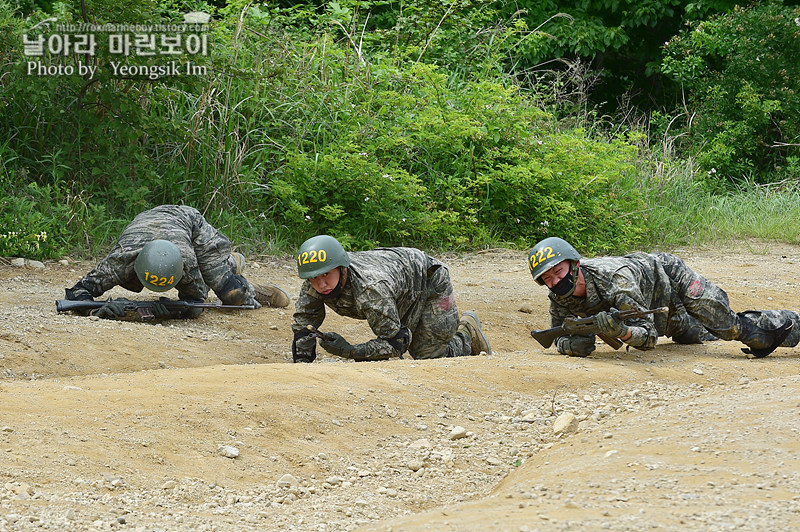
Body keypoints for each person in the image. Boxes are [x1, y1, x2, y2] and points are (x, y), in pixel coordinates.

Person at [527, 236, 798, 358]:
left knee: (731, 327)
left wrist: (621, 333)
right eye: (547, 279)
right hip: (658, 313)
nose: (555, 282)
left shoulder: (616, 280)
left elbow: (649, 339)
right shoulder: (559, 299)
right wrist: (575, 344)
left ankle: (793, 325)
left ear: (574, 264)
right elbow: (558, 335)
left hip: (668, 276)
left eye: (558, 272)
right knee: (694, 335)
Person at [64, 205, 290, 319]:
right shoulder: (121, 260)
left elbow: (196, 302)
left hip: (189, 224)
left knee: (232, 295)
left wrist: (174, 312)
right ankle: (224, 265)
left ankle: (230, 265)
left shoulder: (187, 261)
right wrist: (97, 312)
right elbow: (77, 293)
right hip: (146, 223)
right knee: (217, 281)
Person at [290, 235, 491, 362]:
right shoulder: (314, 281)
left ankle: (467, 333)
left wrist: (350, 351)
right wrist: (302, 364)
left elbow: (396, 344)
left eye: (326, 275)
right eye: (314, 278)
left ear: (342, 268)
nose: (320, 283)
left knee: (428, 356)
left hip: (428, 278)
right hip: (398, 285)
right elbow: (303, 327)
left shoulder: (371, 290)